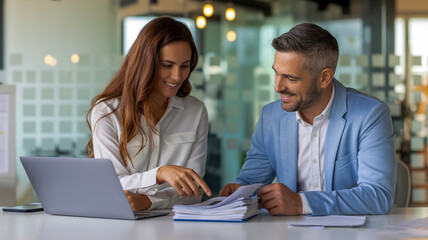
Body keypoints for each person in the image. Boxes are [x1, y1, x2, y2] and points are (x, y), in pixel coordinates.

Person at [219, 23, 396, 216]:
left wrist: (301, 203)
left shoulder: (370, 114)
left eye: (291, 78)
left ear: (324, 77)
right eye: (276, 73)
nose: (278, 87)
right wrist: (238, 190)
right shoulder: (270, 117)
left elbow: (378, 196)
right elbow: (251, 181)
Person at [85, 16, 211, 211]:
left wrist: (149, 202)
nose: (177, 76)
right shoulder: (107, 112)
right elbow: (111, 185)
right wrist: (159, 174)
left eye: (184, 66)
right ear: (145, 62)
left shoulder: (196, 112)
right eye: (167, 65)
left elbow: (194, 192)